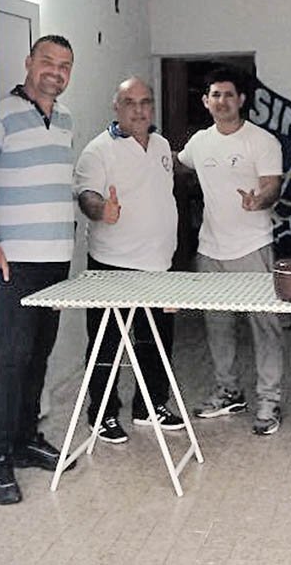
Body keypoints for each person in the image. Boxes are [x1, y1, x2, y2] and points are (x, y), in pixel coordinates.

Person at [0, 35, 78, 506]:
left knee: (39, 356)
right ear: (28, 63)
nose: (55, 72)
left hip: (55, 260)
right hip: (13, 263)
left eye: (64, 66)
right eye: (47, 62)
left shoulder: (66, 120)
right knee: (10, 358)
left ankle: (24, 441)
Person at [72, 76, 185, 444]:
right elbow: (86, 195)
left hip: (160, 265)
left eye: (145, 102)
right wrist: (101, 209)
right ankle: (101, 414)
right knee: (107, 345)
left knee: (156, 343)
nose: (139, 110)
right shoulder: (98, 150)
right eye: (130, 103)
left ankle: (150, 406)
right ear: (116, 107)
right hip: (112, 265)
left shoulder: (162, 145)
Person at [176, 67, 285, 436]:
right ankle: (228, 391)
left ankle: (269, 400)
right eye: (215, 95)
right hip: (210, 250)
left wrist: (259, 200)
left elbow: (271, 185)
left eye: (228, 95)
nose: (222, 101)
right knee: (217, 326)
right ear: (206, 101)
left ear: (241, 100)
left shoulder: (262, 141)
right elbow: (175, 163)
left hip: (253, 247)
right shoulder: (199, 143)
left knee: (265, 327)